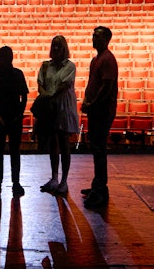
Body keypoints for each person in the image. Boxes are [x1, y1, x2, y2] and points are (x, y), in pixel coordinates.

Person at [0, 46, 29, 198]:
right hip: (6, 118)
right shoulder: (15, 74)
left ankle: (2, 184)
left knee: (3, 152)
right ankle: (9, 183)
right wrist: (15, 115)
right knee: (9, 152)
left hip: (5, 118)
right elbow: (24, 97)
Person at [80, 26, 118, 209]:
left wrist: (92, 103)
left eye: (97, 36)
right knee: (96, 148)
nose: (93, 39)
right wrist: (87, 100)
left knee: (99, 149)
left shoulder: (108, 59)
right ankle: (98, 186)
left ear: (106, 40)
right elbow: (92, 84)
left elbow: (106, 88)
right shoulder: (96, 60)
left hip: (102, 111)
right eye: (93, 35)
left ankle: (100, 190)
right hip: (96, 110)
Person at [36, 34, 79, 196]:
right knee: (53, 143)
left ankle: (64, 180)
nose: (56, 48)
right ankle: (54, 177)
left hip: (63, 107)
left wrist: (50, 96)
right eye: (54, 45)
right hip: (50, 108)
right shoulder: (46, 66)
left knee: (64, 143)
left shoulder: (70, 66)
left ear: (64, 48)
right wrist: (47, 97)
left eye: (59, 46)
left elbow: (64, 85)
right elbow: (40, 83)